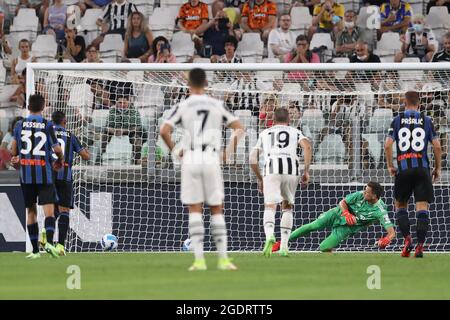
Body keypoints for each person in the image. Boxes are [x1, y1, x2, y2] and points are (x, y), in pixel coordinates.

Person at [159, 68, 244, 271]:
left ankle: (198, 261)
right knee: (216, 208)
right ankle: (223, 260)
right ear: (206, 83)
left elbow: (163, 130)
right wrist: (228, 152)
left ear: (189, 84)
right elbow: (239, 129)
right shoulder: (217, 104)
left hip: (191, 157)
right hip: (211, 156)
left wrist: (176, 150)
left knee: (194, 209)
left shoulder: (183, 105)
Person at [385, 91, 442, 258]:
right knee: (422, 208)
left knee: (400, 205)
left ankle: (407, 239)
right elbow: (437, 147)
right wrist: (438, 168)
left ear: (405, 103)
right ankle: (420, 247)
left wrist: (390, 165)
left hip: (403, 169)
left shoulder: (397, 120)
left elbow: (388, 145)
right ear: (419, 103)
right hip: (422, 169)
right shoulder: (427, 120)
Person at [250, 108, 312, 257]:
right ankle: (284, 246)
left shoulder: (265, 133)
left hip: (272, 169)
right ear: (288, 119)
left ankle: (269, 235)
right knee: (287, 206)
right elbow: (307, 146)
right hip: (291, 170)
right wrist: (306, 170)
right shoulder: (295, 131)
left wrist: (260, 178)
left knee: (270, 206)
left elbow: (252, 159)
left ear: (273, 119)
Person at [10, 94, 64, 259]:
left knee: (31, 211)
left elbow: (13, 150)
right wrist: (59, 160)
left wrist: (17, 158)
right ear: (43, 107)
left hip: (26, 175)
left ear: (28, 107)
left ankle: (34, 252)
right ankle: (48, 243)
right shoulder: (47, 125)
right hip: (44, 174)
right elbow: (57, 150)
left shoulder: (19, 124)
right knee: (48, 211)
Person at [272, 182, 396, 252]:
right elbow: (342, 202)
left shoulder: (380, 211)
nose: (364, 192)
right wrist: (346, 213)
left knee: (324, 247)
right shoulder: (359, 195)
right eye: (364, 190)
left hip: (348, 227)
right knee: (313, 225)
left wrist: (386, 240)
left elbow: (391, 232)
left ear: (374, 196)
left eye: (367, 192)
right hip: (337, 213)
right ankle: (281, 243)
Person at [43, 111, 90, 256]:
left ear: (52, 121)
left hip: (48, 175)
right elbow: (85, 156)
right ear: (65, 121)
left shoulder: (46, 134)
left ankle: (47, 239)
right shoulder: (71, 136)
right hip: (65, 176)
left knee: (50, 210)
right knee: (64, 210)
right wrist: (86, 151)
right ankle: (61, 246)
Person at [100, 91, 146, 165]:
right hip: (114, 131)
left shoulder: (134, 111)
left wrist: (123, 131)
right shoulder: (112, 110)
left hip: (130, 132)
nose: (122, 105)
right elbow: (107, 126)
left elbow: (137, 127)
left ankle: (136, 162)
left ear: (128, 102)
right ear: (116, 102)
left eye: (124, 103)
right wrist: (114, 131)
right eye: (120, 103)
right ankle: (100, 159)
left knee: (137, 141)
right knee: (103, 137)